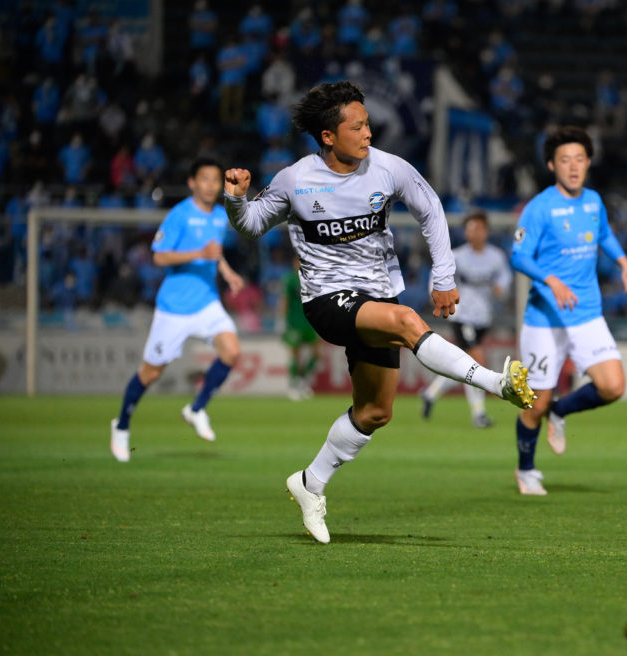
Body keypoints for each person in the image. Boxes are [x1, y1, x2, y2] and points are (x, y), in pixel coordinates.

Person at [222, 81, 536, 544]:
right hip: (326, 299)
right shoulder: (295, 179)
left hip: (377, 294)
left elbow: (430, 209)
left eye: (368, 123)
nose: (368, 133)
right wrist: (236, 199)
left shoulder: (389, 168)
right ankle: (497, 384)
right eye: (357, 127)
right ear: (328, 136)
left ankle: (310, 482)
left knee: (374, 412)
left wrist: (443, 275)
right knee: (408, 323)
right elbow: (251, 224)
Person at [509, 125, 627, 496]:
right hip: (544, 320)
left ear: (588, 163)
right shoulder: (539, 208)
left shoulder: (594, 201)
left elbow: (604, 236)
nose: (573, 166)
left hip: (586, 313)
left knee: (613, 386)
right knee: (535, 405)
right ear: (552, 165)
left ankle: (561, 411)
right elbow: (518, 256)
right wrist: (550, 279)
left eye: (579, 159)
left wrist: (624, 263)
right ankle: (526, 470)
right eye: (565, 160)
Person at [110, 158, 245, 462]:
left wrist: (227, 272)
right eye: (204, 179)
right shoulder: (179, 215)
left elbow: (214, 252)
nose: (210, 185)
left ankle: (196, 409)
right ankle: (121, 424)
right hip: (174, 308)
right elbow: (158, 257)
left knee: (232, 351)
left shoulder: (220, 216)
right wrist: (199, 253)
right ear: (192, 183)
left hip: (207, 301)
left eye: (215, 179)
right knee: (151, 373)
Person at [419, 212, 513, 428]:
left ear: (486, 231)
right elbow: (437, 279)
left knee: (464, 364)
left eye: (479, 228)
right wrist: (437, 297)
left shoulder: (496, 257)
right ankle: (479, 413)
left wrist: (501, 290)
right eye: (471, 229)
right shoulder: (457, 256)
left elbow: (504, 281)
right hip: (462, 315)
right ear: (465, 232)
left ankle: (431, 393)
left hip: (483, 317)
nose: (475, 233)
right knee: (476, 361)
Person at [281, 253, 322, 400]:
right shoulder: (290, 280)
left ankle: (302, 380)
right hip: (294, 322)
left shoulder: (313, 280)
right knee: (295, 355)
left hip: (310, 322)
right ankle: (294, 385)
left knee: (317, 354)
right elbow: (285, 301)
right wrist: (282, 321)